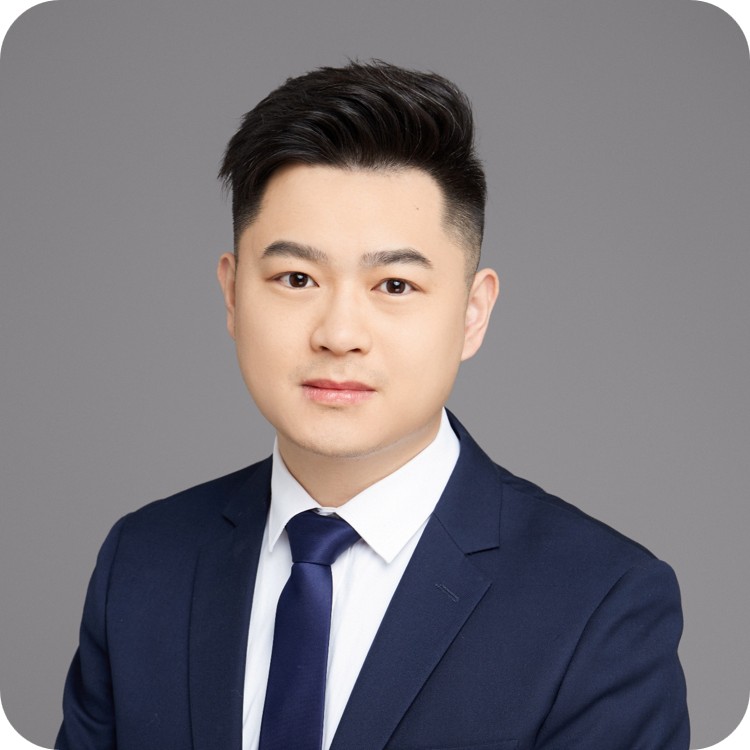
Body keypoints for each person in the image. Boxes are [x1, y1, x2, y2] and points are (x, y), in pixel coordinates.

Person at [56, 61, 689, 750]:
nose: (339, 334)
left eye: (394, 286)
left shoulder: (600, 602)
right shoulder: (144, 563)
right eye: (296, 278)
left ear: (473, 312)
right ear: (233, 294)